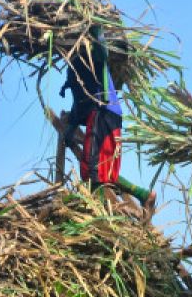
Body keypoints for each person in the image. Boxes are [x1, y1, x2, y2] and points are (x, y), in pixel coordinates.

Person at [57, 26, 155, 212]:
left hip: (102, 111)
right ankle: (144, 195)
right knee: (105, 169)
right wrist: (72, 126)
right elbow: (79, 102)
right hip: (110, 114)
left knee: (92, 166)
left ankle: (96, 205)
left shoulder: (90, 55)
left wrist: (97, 33)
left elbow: (102, 54)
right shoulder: (74, 68)